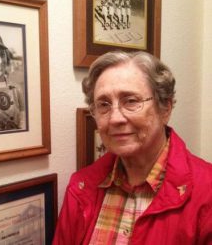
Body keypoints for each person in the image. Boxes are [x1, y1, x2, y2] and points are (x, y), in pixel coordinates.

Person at [53, 51, 212, 244]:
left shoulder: (206, 192)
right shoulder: (81, 187)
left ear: (165, 108)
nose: (115, 118)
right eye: (103, 105)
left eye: (131, 101)